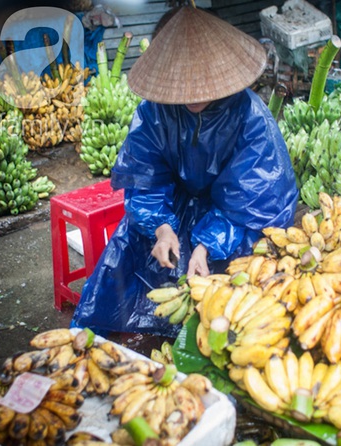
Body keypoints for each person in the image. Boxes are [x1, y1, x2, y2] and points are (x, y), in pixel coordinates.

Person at [71, 5, 299, 337]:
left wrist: (207, 245)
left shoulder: (250, 118)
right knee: (125, 251)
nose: (192, 97)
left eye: (201, 85)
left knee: (237, 279)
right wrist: (163, 229)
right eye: (184, 87)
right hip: (176, 204)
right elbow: (145, 182)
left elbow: (252, 202)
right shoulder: (154, 113)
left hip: (231, 216)